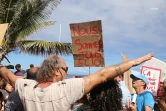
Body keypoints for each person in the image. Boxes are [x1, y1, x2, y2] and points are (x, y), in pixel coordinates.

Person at [0, 53, 154, 111]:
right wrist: (134, 62)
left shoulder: (25, 86)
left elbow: (7, 75)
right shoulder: (66, 89)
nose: (67, 74)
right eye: (66, 70)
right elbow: (103, 75)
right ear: (56, 70)